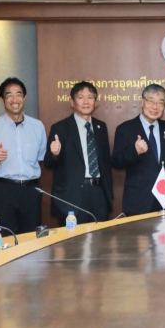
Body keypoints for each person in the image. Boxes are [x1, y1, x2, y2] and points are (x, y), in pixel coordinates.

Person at [0, 78, 46, 234]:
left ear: (25, 98)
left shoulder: (37, 126)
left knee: (31, 237)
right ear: (2, 99)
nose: (14, 99)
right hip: (5, 190)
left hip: (31, 191)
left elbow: (41, 160)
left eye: (18, 94)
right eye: (9, 95)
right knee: (4, 237)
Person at [45, 81, 113, 224]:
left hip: (99, 194)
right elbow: (48, 163)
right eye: (81, 97)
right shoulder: (60, 128)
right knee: (74, 238)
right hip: (72, 197)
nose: (86, 102)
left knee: (100, 237)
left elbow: (106, 163)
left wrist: (108, 195)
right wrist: (55, 153)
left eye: (90, 97)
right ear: (72, 102)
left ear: (95, 102)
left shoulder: (101, 127)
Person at [112, 84, 165, 215]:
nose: (155, 107)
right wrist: (135, 152)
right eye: (150, 101)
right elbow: (116, 162)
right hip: (139, 201)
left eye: (160, 103)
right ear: (142, 102)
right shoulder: (125, 129)